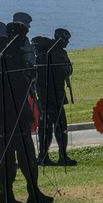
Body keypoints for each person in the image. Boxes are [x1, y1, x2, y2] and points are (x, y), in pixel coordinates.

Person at [0, 26, 52, 203]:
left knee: (11, 156)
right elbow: (23, 82)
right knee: (20, 156)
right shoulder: (6, 60)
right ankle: (19, 193)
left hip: (6, 114)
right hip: (13, 112)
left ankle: (16, 194)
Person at [34, 28, 75, 166]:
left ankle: (43, 156)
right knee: (60, 126)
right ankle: (62, 156)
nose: (67, 43)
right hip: (55, 95)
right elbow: (68, 70)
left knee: (45, 127)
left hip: (44, 96)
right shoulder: (60, 54)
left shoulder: (41, 54)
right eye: (66, 40)